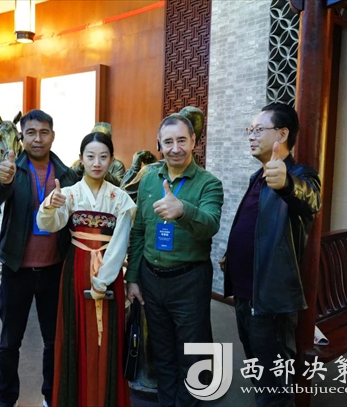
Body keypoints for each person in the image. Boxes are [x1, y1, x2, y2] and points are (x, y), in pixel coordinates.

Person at [220, 102, 321, 407]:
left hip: (270, 298)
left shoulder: (298, 174)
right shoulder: (258, 175)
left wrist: (287, 184)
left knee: (275, 384)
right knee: (258, 371)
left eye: (258, 129)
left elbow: (310, 199)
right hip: (245, 293)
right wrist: (232, 255)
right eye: (250, 130)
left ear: (283, 134)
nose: (251, 136)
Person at [126, 114, 223, 407]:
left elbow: (210, 225)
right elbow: (139, 231)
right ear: (159, 144)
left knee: (192, 354)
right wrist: (133, 278)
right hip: (151, 279)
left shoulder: (209, 184)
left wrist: (183, 210)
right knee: (162, 352)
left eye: (182, 140)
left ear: (193, 141)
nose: (175, 148)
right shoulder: (149, 180)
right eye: (168, 141)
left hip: (189, 280)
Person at [37, 133, 136, 406]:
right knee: (74, 334)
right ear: (81, 159)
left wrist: (103, 280)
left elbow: (119, 243)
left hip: (109, 270)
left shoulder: (120, 198)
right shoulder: (69, 194)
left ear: (112, 159)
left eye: (103, 157)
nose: (97, 163)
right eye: (90, 157)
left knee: (108, 339)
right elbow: (49, 224)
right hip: (77, 268)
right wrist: (49, 206)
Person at [0, 109, 79, 407]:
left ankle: (51, 396)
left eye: (43, 132)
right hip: (17, 269)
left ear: (52, 136)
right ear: (21, 137)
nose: (37, 139)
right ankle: (7, 400)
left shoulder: (67, 174)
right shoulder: (10, 169)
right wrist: (2, 180)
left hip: (55, 269)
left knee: (54, 341)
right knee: (9, 342)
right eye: (31, 133)